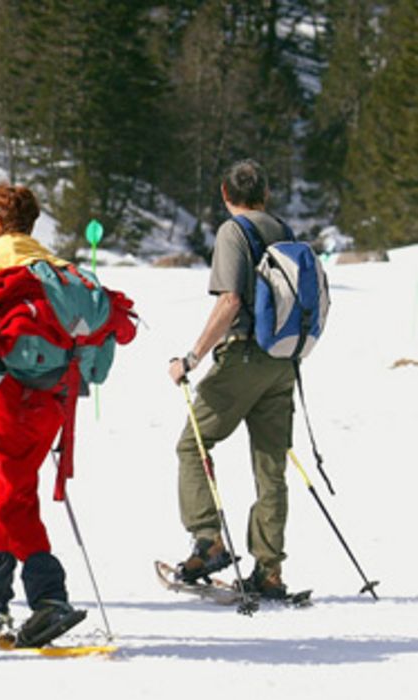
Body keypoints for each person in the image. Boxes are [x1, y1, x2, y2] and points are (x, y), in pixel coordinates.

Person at [0, 183, 85, 644]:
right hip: (56, 395)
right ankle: (0, 594)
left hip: (11, 391)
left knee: (6, 491)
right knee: (11, 489)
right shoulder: (52, 262)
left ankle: (30, 597)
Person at [166, 159, 296, 599]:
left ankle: (209, 542)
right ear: (266, 193)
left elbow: (230, 302)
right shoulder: (284, 231)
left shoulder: (233, 232)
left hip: (242, 356)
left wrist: (191, 357)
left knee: (193, 443)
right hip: (283, 361)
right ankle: (270, 570)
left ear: (225, 193)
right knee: (271, 466)